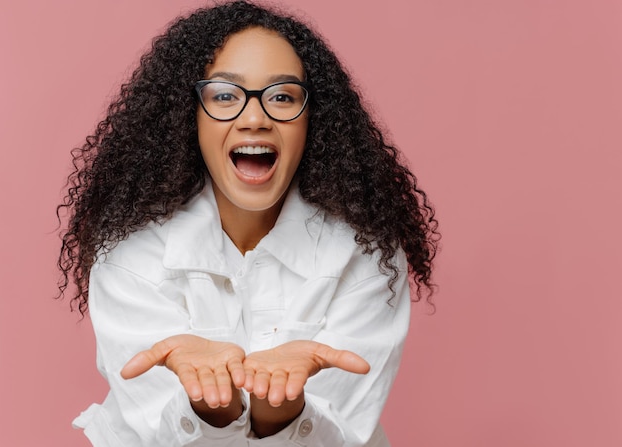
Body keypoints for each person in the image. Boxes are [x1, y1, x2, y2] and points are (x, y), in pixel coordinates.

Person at [57, 1, 439, 446]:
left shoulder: (365, 250)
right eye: (224, 95)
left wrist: (281, 410)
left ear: (314, 119)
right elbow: (153, 435)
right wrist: (211, 407)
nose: (254, 118)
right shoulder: (129, 249)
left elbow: (344, 434)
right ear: (190, 115)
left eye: (282, 96)